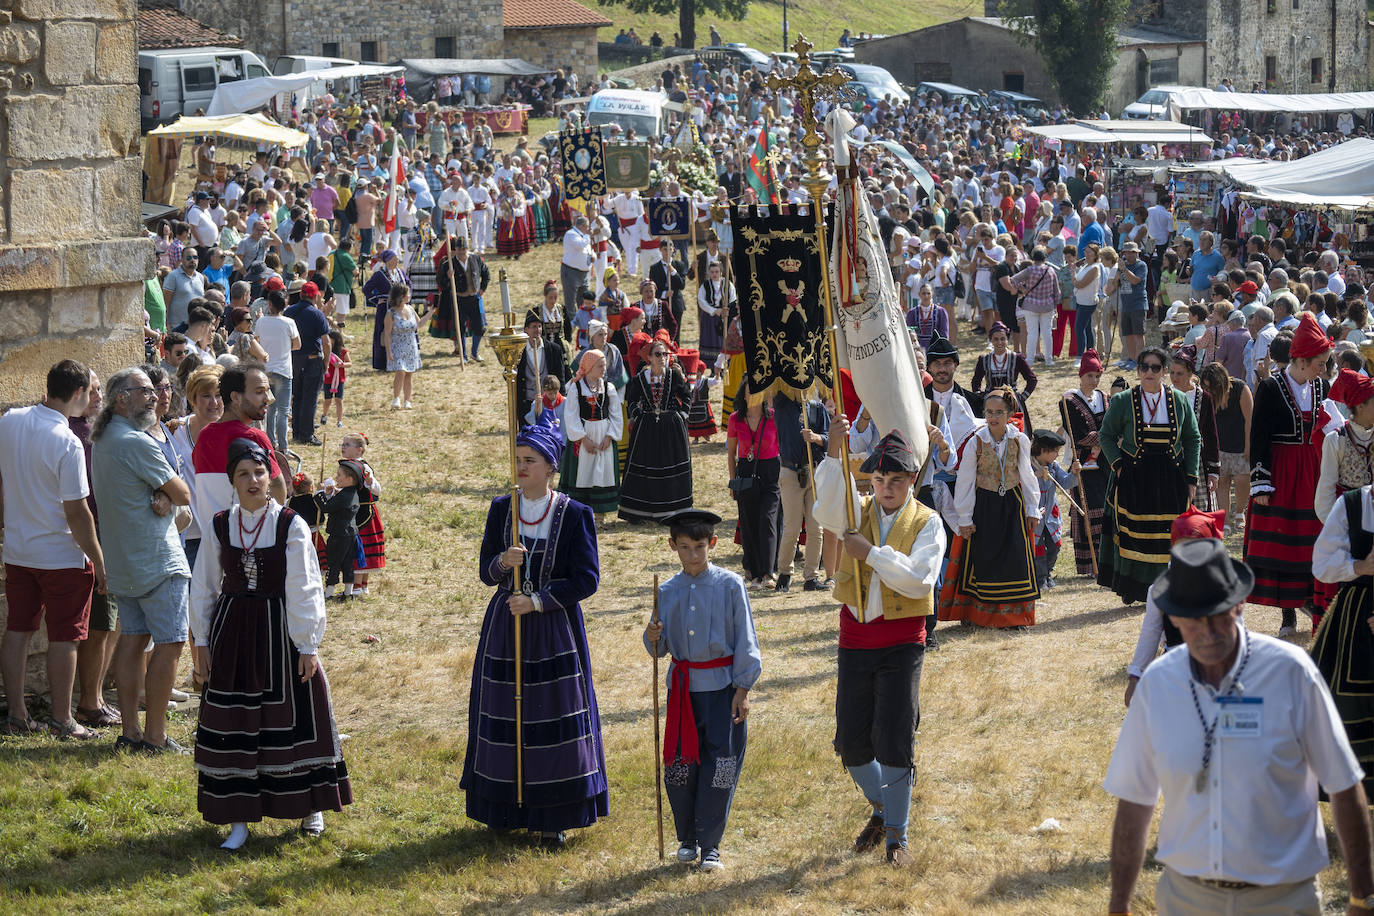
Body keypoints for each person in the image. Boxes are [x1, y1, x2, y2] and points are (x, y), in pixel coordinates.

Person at [1104, 538, 1374, 916]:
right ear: (1173, 618)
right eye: (1193, 619)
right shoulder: (1158, 685)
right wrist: (1118, 904)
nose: (1207, 631)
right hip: (1186, 899)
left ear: (1239, 605)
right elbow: (1134, 800)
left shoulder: (1291, 673)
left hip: (1283, 899)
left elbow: (1345, 787)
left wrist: (1363, 897)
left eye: (1218, 615)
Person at [190, 439, 351, 850]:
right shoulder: (220, 524)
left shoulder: (290, 524)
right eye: (243, 474)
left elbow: (305, 586)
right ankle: (238, 818)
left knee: (295, 717)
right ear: (232, 481)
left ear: (271, 477)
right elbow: (205, 586)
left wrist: (307, 644)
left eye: (259, 473)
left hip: (280, 632)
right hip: (232, 635)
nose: (253, 480)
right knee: (236, 725)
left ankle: (310, 806)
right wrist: (202, 643)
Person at [461, 417, 608, 848]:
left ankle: (552, 814)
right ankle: (505, 807)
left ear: (550, 466)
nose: (521, 467)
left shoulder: (575, 514)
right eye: (518, 459)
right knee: (504, 713)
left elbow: (587, 579)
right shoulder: (501, 509)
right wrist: (504, 564)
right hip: (506, 627)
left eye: (530, 461)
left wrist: (539, 600)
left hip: (554, 632)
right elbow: (486, 573)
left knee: (553, 716)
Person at [812, 425, 945, 866]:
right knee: (850, 743)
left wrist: (868, 552)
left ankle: (896, 837)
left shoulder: (928, 522)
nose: (886, 489)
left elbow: (917, 577)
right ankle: (884, 805)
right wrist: (834, 448)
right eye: (879, 480)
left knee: (894, 739)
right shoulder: (857, 510)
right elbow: (826, 507)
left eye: (896, 481)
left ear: (912, 481)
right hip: (855, 638)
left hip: (901, 643)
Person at [644, 507, 762, 873]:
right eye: (684, 548)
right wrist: (651, 637)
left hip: (722, 689)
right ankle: (687, 838)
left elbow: (745, 637)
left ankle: (711, 844)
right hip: (683, 692)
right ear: (672, 547)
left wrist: (742, 688)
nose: (693, 555)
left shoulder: (730, 585)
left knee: (720, 765)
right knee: (680, 764)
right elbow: (657, 648)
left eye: (699, 546)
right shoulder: (665, 591)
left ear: (713, 543)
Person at [90, 367, 193, 753]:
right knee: (170, 643)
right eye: (146, 391)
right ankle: (154, 737)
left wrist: (162, 493)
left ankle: (131, 732)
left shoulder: (104, 440)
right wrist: (167, 493)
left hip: (124, 561)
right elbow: (182, 492)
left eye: (156, 390)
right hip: (157, 560)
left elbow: (160, 492)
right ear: (122, 398)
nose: (154, 397)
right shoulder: (136, 442)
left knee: (133, 642)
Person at [0, 360, 104, 738]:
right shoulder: (67, 441)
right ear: (77, 394)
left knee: (17, 629)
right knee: (65, 636)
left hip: (18, 549)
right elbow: (77, 512)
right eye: (90, 392)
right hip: (61, 555)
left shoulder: (9, 420)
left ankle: (17, 714)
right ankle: (62, 719)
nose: (93, 398)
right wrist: (98, 558)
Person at [1246, 313, 1332, 635]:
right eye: (1319, 363)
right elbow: (1259, 438)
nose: (1323, 369)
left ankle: (1312, 604)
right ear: (1301, 360)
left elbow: (1333, 428)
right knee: (1283, 542)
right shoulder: (1270, 387)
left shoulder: (1322, 386)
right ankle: (1287, 615)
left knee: (1313, 541)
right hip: (1282, 473)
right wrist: (1261, 482)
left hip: (1314, 472)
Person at [1097, 347, 1201, 604]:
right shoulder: (1123, 401)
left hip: (1170, 479)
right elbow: (1106, 436)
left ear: (1165, 371)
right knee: (1135, 534)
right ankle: (1133, 589)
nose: (1150, 372)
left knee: (1169, 536)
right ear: (1138, 370)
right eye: (1145, 367)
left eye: (1156, 367)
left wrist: (1191, 478)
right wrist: (1119, 465)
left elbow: (1192, 438)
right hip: (1135, 478)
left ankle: (1168, 588)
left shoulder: (1178, 400)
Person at [944, 386, 1042, 628]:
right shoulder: (975, 442)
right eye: (989, 412)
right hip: (985, 506)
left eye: (999, 412)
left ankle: (1015, 617)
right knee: (985, 559)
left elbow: (1028, 476)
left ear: (1009, 414)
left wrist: (1032, 509)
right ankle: (981, 616)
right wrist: (964, 517)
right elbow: (965, 480)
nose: (993, 417)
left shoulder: (1019, 439)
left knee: (1015, 559)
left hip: (1012, 505)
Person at [1123, 505, 1228, 706]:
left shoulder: (1222, 588)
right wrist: (1135, 675)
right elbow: (1151, 631)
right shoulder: (1160, 590)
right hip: (1175, 669)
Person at [1314, 480, 1374, 801]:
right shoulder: (1351, 505)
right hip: (1355, 619)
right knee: (1343, 702)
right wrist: (1361, 566)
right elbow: (1321, 564)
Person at [619, 337, 694, 523]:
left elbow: (686, 395)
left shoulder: (674, 375)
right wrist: (639, 416)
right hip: (647, 428)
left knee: (671, 465)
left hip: (671, 428)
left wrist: (681, 415)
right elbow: (631, 400)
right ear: (649, 358)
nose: (663, 358)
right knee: (646, 465)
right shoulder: (639, 379)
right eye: (658, 354)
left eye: (665, 354)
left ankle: (674, 509)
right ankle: (641, 512)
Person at [727, 381, 781, 590]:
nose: (755, 394)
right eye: (751, 389)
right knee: (749, 524)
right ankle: (755, 575)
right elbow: (731, 454)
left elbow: (783, 447)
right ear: (744, 394)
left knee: (767, 520)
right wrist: (733, 481)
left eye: (760, 390)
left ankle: (769, 572)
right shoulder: (735, 419)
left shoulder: (774, 417)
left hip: (770, 473)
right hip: (746, 474)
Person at [773, 389, 829, 593]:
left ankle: (811, 577)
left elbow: (829, 439)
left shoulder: (817, 408)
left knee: (816, 528)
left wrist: (815, 438)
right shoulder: (783, 405)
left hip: (813, 470)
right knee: (792, 527)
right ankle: (785, 573)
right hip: (790, 471)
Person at [1058, 349, 1108, 577]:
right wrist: (1105, 436)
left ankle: (1106, 560)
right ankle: (1090, 565)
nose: (1094, 380)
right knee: (1087, 509)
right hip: (1083, 464)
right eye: (1090, 376)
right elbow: (1077, 434)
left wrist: (1104, 437)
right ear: (1081, 376)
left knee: (1106, 509)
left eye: (1097, 375)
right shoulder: (1069, 401)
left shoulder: (1105, 398)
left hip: (1105, 464)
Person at [559, 349, 623, 518]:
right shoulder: (576, 388)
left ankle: (600, 514)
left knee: (602, 473)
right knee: (584, 473)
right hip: (583, 435)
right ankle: (581, 514)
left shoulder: (608, 387)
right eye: (600, 366)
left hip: (604, 435)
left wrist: (610, 436)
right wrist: (583, 439)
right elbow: (571, 415)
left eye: (604, 365)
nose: (604, 369)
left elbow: (616, 413)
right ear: (589, 367)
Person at [1169, 346, 1221, 511]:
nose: (1174, 378)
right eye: (1172, 373)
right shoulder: (1165, 394)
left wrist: (1213, 471)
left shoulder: (1203, 397)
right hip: (1169, 459)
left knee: (1198, 513)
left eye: (1179, 373)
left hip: (1197, 460)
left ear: (1191, 373)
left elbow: (1210, 434)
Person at [1030, 429, 1080, 591]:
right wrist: (1033, 476)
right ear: (1044, 451)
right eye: (1055, 451)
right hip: (1034, 515)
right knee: (1037, 548)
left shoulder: (1054, 466)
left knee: (1054, 545)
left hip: (1050, 515)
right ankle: (1040, 579)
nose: (1057, 455)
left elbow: (1066, 483)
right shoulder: (1027, 466)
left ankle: (1048, 573)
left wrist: (1074, 473)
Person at [284, 282, 331, 447]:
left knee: (297, 396)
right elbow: (326, 342)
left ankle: (297, 431)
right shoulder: (317, 314)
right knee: (310, 398)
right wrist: (326, 362)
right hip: (312, 359)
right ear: (315, 295)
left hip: (294, 359)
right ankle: (307, 434)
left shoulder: (289, 311)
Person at [971, 321, 1036, 423]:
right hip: (990, 403)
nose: (999, 342)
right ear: (990, 340)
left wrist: (1022, 398)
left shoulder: (1017, 358)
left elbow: (1032, 379)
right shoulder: (984, 359)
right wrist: (980, 396)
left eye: (1003, 339)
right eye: (996, 339)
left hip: (1011, 403)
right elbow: (976, 381)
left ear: (1007, 340)